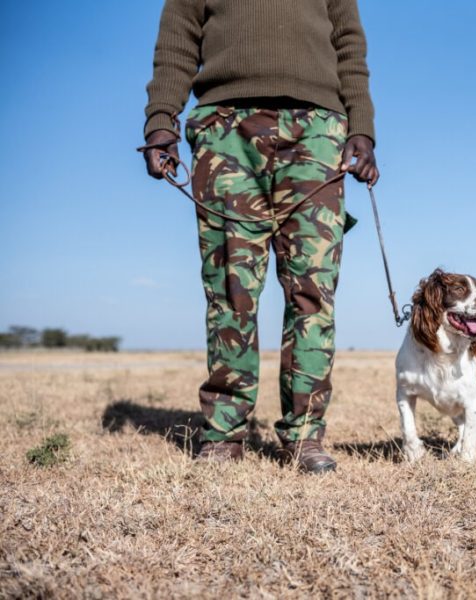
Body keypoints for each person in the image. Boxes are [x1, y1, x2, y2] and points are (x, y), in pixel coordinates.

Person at [140, 0, 378, 473]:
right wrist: (161, 119)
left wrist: (363, 130)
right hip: (225, 129)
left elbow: (350, 46)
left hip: (317, 132)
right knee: (232, 288)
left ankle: (306, 435)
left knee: (313, 290)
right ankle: (224, 434)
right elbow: (176, 40)